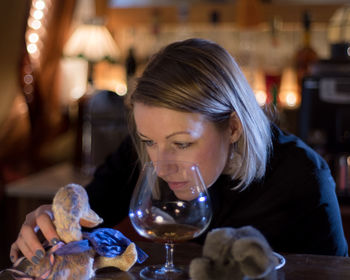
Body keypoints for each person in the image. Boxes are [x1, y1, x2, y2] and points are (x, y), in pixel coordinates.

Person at [10, 38, 348, 265]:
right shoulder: (144, 152)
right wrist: (51, 225)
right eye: (149, 141)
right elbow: (86, 216)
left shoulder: (302, 176)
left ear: (232, 127)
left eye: (182, 144)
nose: (160, 166)